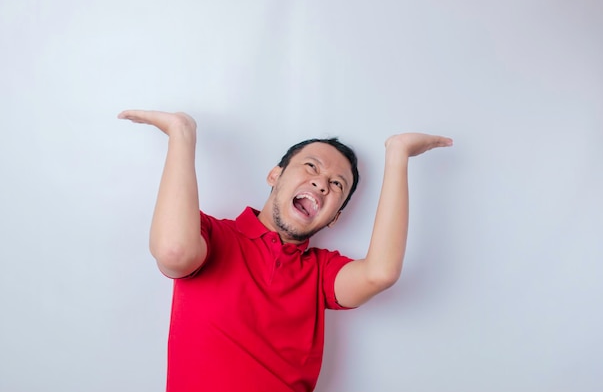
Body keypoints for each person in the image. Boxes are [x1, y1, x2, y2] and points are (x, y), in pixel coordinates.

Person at [118, 109, 453, 392]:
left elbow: (381, 272)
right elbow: (173, 251)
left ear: (334, 218)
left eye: (337, 184)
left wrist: (398, 155)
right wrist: (181, 133)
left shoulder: (322, 273)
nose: (322, 183)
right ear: (275, 175)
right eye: (311, 167)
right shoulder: (211, 236)